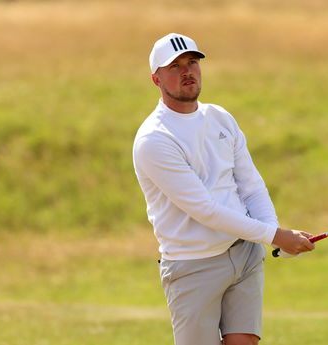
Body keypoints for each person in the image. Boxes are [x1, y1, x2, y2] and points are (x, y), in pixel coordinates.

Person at [132, 33, 315, 345]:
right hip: (193, 265)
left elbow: (251, 186)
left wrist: (271, 233)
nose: (186, 71)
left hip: (244, 254)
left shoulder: (220, 118)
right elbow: (205, 210)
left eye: (192, 62)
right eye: (174, 66)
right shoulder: (155, 139)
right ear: (156, 79)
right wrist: (275, 235)